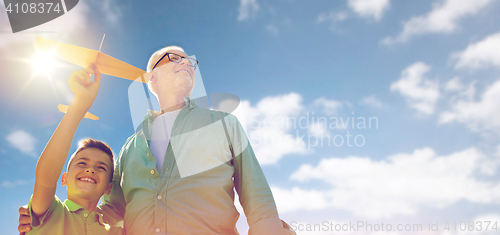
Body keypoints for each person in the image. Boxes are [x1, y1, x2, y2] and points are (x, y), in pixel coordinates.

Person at [19, 47, 294, 234]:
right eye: (174, 58)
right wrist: (49, 217)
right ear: (152, 78)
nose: (186, 62)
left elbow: (256, 196)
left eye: (190, 61)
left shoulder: (224, 123)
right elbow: (112, 209)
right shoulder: (129, 147)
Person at [23, 65, 123, 235]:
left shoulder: (115, 230)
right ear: (64, 178)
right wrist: (79, 104)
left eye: (101, 168)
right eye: (82, 163)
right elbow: (45, 179)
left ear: (108, 188)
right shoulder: (50, 212)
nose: (90, 169)